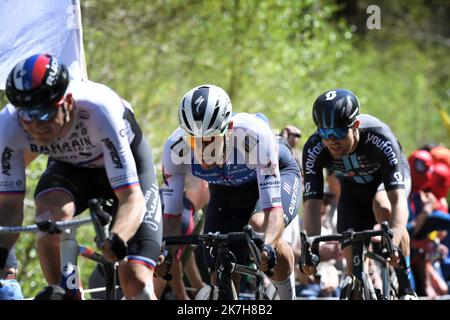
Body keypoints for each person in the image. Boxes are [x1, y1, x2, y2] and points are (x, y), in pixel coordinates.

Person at [0, 53, 162, 300]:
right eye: (27, 116)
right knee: (48, 219)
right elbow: (10, 207)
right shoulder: (9, 124)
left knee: (135, 279)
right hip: (70, 168)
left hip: (125, 171)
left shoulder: (98, 111)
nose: (36, 125)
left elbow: (131, 196)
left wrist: (118, 238)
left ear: (68, 102)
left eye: (44, 114)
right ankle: (64, 293)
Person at [161, 84, 302, 300]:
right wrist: (165, 254)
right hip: (226, 191)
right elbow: (171, 217)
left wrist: (267, 247)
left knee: (259, 226)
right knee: (218, 259)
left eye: (210, 140)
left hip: (273, 176)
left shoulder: (253, 135)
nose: (202, 150)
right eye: (194, 141)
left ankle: (287, 296)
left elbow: (273, 210)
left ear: (228, 129)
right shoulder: (175, 148)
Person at [301, 88, 417, 299]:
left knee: (383, 205)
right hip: (353, 189)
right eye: (324, 133)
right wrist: (311, 247)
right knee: (352, 269)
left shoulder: (379, 136)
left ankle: (405, 284)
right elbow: (312, 204)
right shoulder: (315, 147)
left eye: (337, 133)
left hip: (386, 182)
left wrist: (395, 241)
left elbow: (398, 200)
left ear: (355, 126)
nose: (331, 140)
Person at [155, 172, 209, 300]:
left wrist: (198, 286)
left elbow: (183, 252)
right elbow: (170, 264)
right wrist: (183, 296)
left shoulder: (182, 205)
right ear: (205, 184)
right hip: (127, 279)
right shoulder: (182, 216)